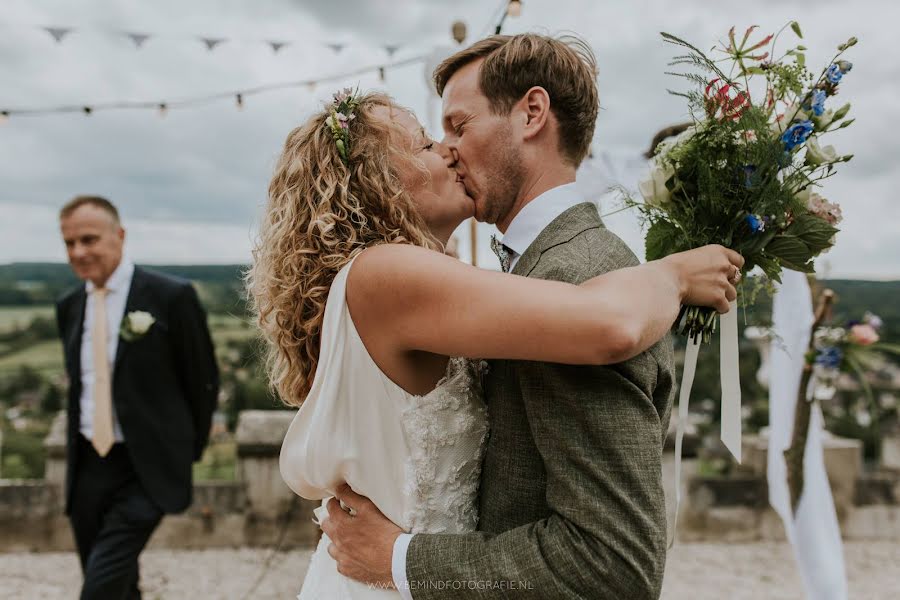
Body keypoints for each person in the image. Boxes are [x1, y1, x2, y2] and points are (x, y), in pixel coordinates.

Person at [251, 42, 742, 599]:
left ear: (533, 113)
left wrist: (402, 559)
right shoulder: (388, 275)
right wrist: (673, 274)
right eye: (429, 141)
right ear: (374, 179)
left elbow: (613, 562)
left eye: (455, 127)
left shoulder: (573, 267)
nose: (449, 151)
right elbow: (607, 322)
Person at [55, 196, 219, 599]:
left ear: (120, 235)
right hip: (88, 467)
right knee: (119, 585)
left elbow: (203, 380)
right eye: (70, 243)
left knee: (99, 587)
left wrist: (185, 452)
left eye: (89, 239)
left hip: (146, 468)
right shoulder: (68, 306)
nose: (79, 252)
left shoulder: (171, 297)